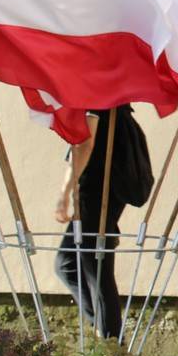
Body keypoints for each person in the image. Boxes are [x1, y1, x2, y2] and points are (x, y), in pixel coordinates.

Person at [54, 105, 150, 339]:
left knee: (95, 269)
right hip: (98, 193)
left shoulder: (96, 97)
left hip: (99, 194)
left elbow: (85, 144)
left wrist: (64, 193)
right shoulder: (103, 98)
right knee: (68, 265)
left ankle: (110, 346)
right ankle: (103, 330)